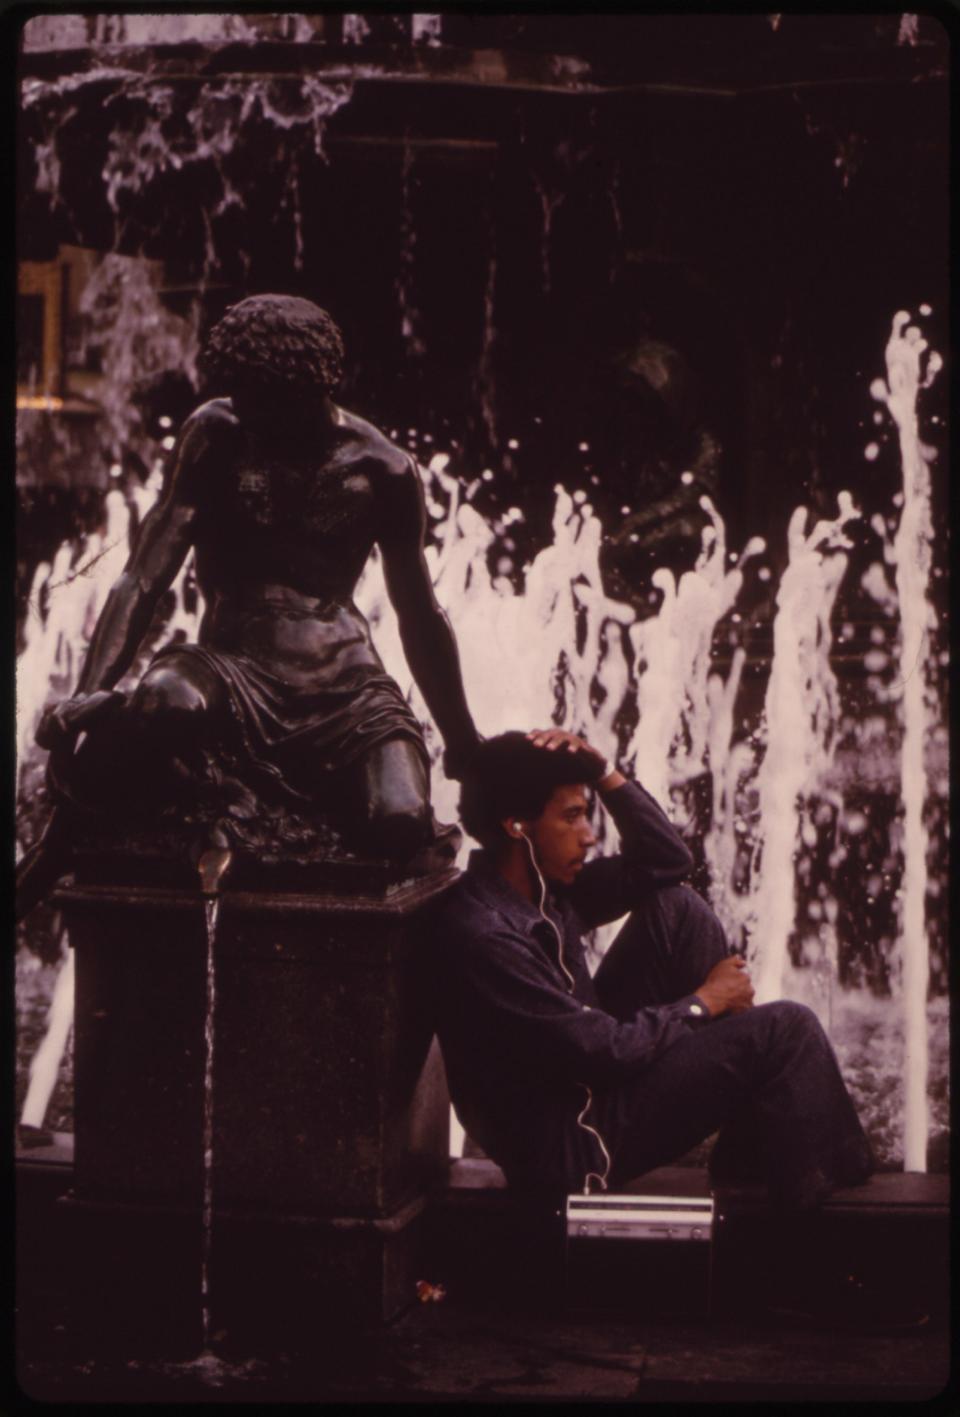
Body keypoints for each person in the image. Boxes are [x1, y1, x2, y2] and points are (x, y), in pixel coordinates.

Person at [427, 729, 926, 1329]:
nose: (590, 834)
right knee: (784, 1031)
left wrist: (605, 771)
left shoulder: (539, 887)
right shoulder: (485, 935)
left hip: (585, 1090)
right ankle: (807, 1266)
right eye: (573, 816)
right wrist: (702, 1002)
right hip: (573, 1143)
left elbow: (668, 863)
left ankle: (757, 1163)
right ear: (517, 826)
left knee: (678, 911)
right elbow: (602, 1050)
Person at [17, 295, 481, 914]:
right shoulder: (217, 433)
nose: (245, 410)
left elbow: (419, 614)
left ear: (308, 390)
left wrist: (465, 743)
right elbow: (141, 578)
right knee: (163, 700)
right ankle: (83, 818)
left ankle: (133, 790)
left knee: (397, 820)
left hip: (343, 689)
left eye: (260, 398)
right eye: (239, 393)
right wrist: (85, 690)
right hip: (229, 667)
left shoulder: (384, 471)